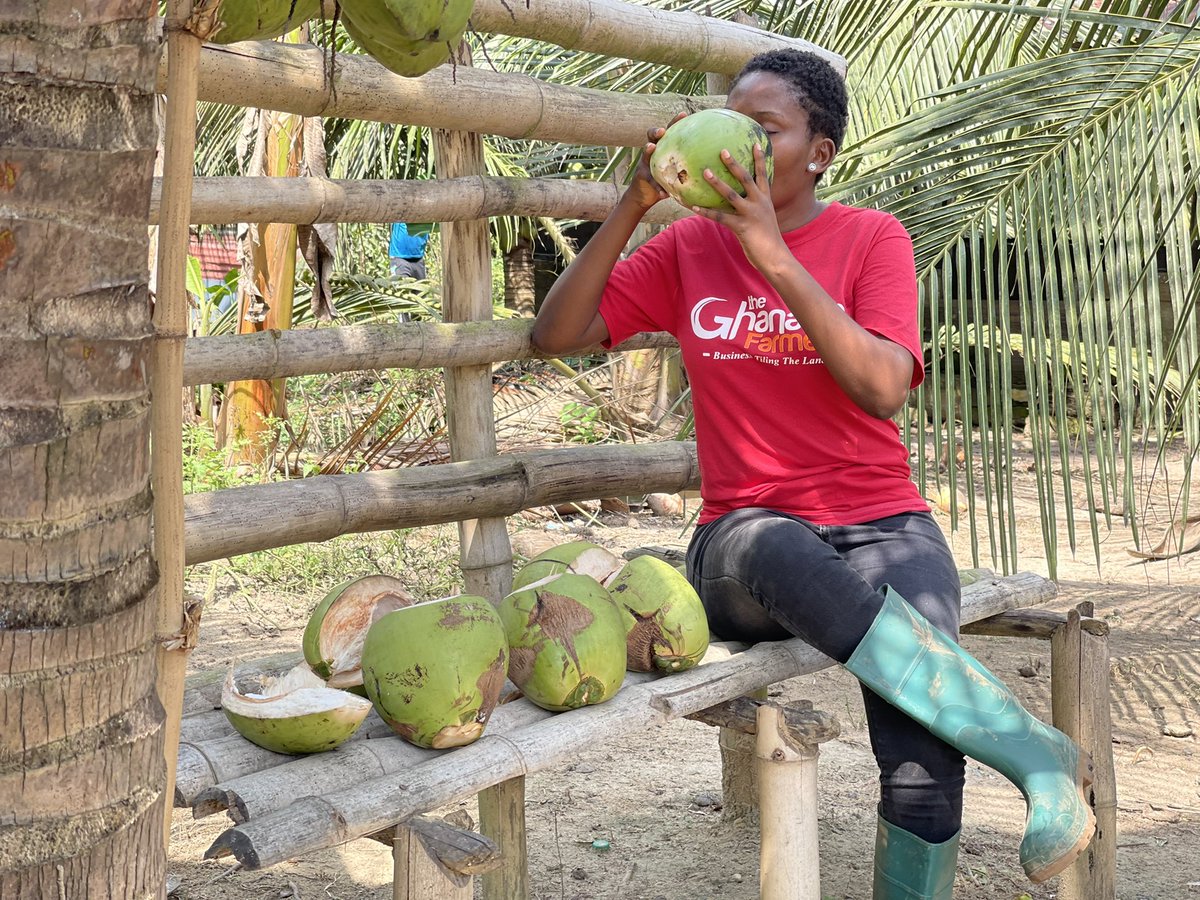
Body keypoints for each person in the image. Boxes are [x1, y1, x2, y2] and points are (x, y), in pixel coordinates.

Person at [532, 49, 1095, 898]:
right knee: (770, 542)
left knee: (920, 746)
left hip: (883, 523)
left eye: (765, 131)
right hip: (743, 545)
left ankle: (999, 780)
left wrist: (774, 256)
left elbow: (880, 389)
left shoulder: (872, 238)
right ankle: (1024, 745)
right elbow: (556, 335)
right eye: (732, 123)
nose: (739, 145)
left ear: (818, 152)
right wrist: (632, 202)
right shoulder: (688, 248)